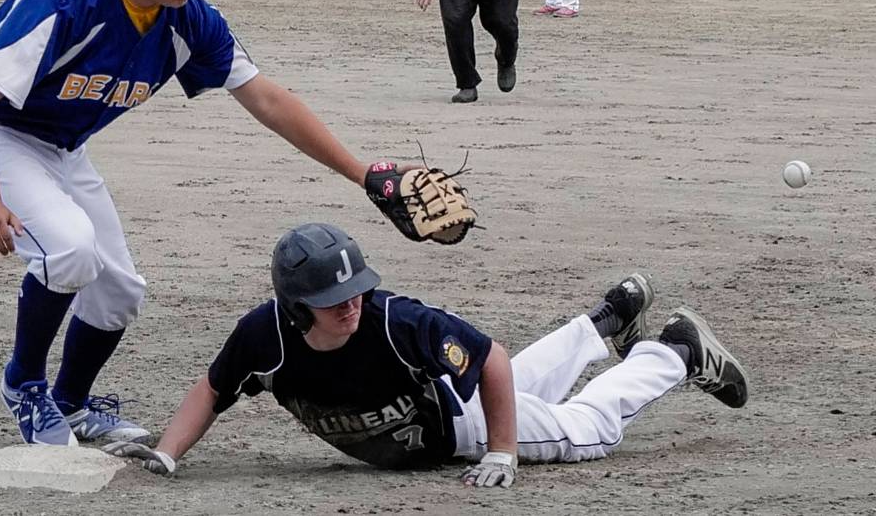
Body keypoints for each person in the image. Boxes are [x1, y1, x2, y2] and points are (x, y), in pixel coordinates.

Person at [0, 0, 381, 447]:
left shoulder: (187, 21)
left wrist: (360, 173)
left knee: (119, 289)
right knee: (69, 249)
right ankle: (25, 385)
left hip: (60, 147)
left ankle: (69, 405)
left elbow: (266, 99)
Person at [105, 223, 749, 488]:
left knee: (589, 428)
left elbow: (488, 360)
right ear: (296, 304)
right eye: (334, 299)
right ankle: (605, 323)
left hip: (460, 430)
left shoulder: (396, 322)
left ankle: (674, 352)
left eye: (356, 290)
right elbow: (213, 387)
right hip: (458, 401)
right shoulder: (265, 336)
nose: (351, 304)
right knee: (524, 385)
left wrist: (500, 450)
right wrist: (167, 451)